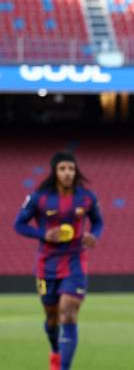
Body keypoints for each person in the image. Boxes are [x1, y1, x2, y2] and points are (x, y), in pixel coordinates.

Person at [14, 150, 104, 370]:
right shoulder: (39, 198)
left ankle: (63, 367)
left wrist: (94, 236)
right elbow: (18, 224)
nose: (67, 173)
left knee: (68, 310)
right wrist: (43, 235)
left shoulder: (87, 197)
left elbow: (98, 222)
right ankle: (55, 350)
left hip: (75, 260)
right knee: (52, 318)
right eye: (63, 168)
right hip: (47, 263)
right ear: (55, 172)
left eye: (71, 169)